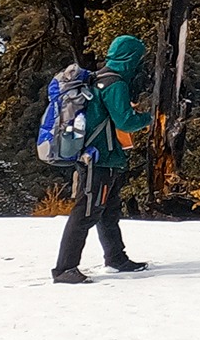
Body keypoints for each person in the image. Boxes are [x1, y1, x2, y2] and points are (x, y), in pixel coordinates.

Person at [53, 35, 154, 283]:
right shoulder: (115, 83)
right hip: (101, 159)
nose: (139, 63)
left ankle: (116, 258)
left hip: (96, 156)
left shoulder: (99, 78)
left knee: (107, 210)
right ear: (130, 57)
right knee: (86, 211)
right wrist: (149, 118)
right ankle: (65, 268)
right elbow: (125, 122)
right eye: (138, 57)